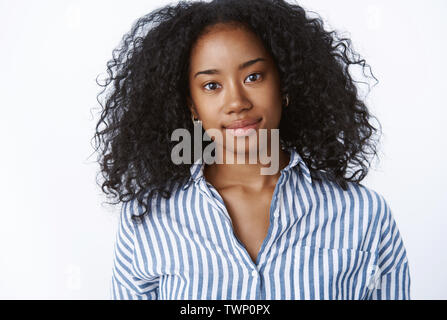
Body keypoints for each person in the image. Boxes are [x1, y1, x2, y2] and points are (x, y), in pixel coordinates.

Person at [93, 0, 411, 299]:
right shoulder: (146, 220)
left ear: (284, 85)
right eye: (212, 85)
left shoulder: (365, 214)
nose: (237, 102)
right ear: (192, 105)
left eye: (254, 76)